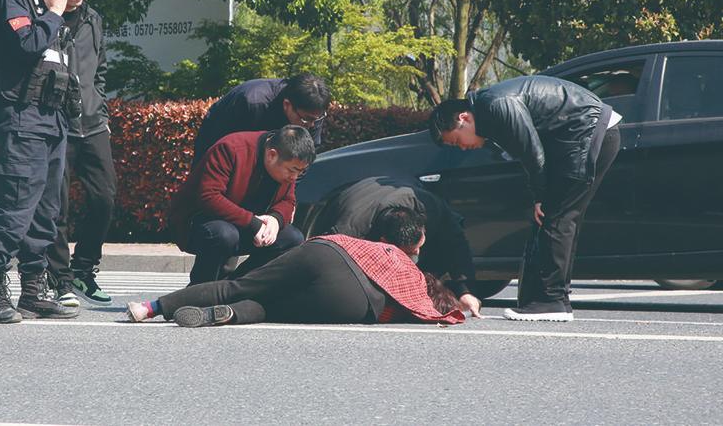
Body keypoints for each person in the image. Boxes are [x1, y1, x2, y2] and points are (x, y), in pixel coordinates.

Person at [430, 75, 621, 322]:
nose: (463, 148)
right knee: (557, 219)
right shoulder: (490, 109)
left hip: (590, 130)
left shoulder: (496, 105)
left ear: (463, 118)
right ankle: (542, 299)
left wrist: (540, 196)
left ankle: (552, 301)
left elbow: (533, 153)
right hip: (584, 134)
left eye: (457, 141)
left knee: (557, 217)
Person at [126, 209, 465, 327]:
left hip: (329, 251)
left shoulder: (395, 256)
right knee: (269, 308)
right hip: (350, 300)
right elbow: (432, 314)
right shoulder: (416, 300)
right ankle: (229, 314)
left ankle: (152, 307)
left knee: (241, 285)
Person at [0, 0, 81, 324]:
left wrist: (55, 11)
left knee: (46, 210)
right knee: (16, 204)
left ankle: (33, 291)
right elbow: (27, 45)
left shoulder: (45, 5)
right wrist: (54, 12)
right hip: (22, 118)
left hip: (51, 118)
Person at [45, 0, 118, 307]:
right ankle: (58, 279)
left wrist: (99, 108)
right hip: (57, 125)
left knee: (105, 198)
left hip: (93, 124)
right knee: (57, 207)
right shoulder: (46, 17)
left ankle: (84, 270)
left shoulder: (94, 19)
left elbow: (100, 70)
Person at [312, 176, 483, 318]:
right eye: (409, 253)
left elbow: (456, 244)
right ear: (384, 243)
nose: (417, 254)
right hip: (353, 205)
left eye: (418, 247)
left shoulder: (431, 208)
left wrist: (465, 291)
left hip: (396, 192)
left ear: (423, 230)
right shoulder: (350, 231)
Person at [170, 125, 314, 285]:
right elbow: (209, 197)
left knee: (293, 238)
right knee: (225, 235)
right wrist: (253, 223)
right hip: (200, 223)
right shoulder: (231, 148)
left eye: (300, 172)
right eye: (292, 170)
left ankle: (238, 286)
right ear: (272, 155)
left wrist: (275, 219)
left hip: (249, 226)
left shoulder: (286, 165)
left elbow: (288, 200)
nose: (295, 177)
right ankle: (198, 291)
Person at [192, 73, 331, 164]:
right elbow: (232, 155)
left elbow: (303, 160)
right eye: (306, 120)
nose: (312, 125)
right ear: (287, 105)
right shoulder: (253, 103)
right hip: (220, 133)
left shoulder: (313, 113)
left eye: (317, 119)